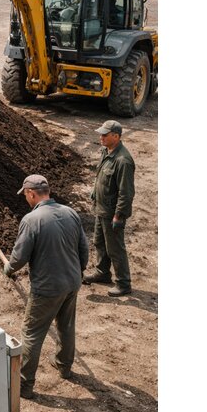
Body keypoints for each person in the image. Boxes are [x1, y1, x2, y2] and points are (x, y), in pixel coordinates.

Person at [4, 174, 89, 399]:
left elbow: (20, 257)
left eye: (26, 196)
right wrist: (77, 273)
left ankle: (24, 384)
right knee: (66, 324)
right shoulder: (70, 213)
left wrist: (8, 268)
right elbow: (84, 249)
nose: (26, 200)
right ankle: (64, 366)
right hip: (72, 281)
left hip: (47, 289)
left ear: (32, 194)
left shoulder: (31, 220)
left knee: (32, 332)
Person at [83, 120, 135, 296]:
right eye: (101, 133)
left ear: (116, 136)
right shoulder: (106, 151)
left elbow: (126, 193)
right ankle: (102, 273)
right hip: (101, 208)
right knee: (99, 242)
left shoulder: (123, 161)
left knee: (115, 248)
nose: (101, 137)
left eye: (105, 134)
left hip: (112, 212)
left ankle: (123, 283)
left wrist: (119, 216)